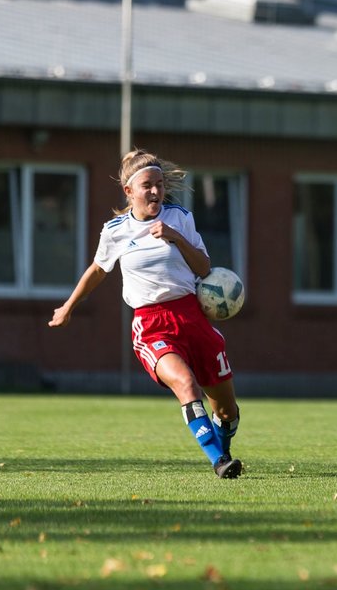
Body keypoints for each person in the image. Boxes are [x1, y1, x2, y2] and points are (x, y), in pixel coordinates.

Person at [49, 149, 243, 479]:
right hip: (152, 326)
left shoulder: (180, 217)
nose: (155, 192)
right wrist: (68, 306)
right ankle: (218, 462)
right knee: (185, 384)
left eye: (159, 185)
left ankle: (222, 450)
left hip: (192, 316)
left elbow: (204, 267)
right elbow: (97, 270)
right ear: (129, 191)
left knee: (226, 411)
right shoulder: (115, 231)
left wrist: (175, 237)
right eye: (147, 186)